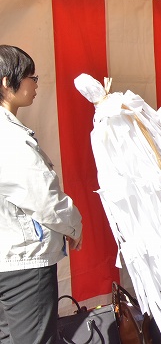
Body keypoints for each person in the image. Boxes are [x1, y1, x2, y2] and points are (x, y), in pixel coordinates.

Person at [0, 45, 83, 343]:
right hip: (22, 262)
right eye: (31, 77)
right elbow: (42, 197)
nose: (36, 84)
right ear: (7, 83)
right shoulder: (7, 135)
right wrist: (74, 225)